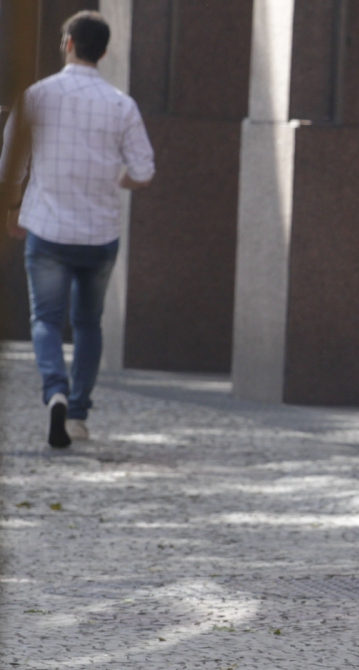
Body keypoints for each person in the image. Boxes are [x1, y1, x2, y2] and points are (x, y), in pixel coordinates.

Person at [0, 11, 155, 448]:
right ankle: (79, 417)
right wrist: (118, 180)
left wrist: (13, 209)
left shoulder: (36, 96)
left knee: (46, 319)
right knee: (89, 324)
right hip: (99, 234)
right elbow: (144, 171)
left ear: (67, 43)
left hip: (47, 230)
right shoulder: (121, 105)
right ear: (104, 51)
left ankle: (55, 393)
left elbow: (9, 163)